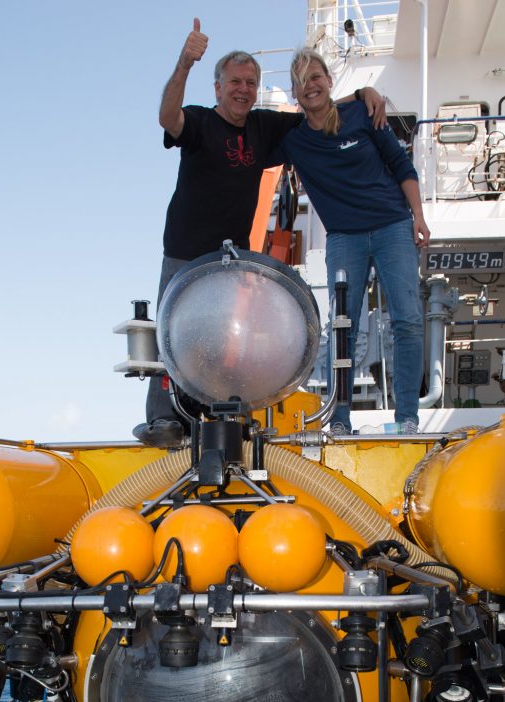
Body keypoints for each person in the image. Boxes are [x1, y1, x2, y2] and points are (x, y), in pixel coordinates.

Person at [133, 20, 387, 448]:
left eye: (251, 82)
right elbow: (166, 116)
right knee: (173, 335)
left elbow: (318, 109)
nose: (244, 89)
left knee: (227, 341)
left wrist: (363, 95)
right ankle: (164, 420)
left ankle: (213, 418)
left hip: (231, 259)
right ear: (217, 88)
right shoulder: (198, 122)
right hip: (184, 250)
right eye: (235, 81)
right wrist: (184, 62)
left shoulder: (265, 126)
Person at [269, 48, 430, 434]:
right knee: (343, 327)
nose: (311, 86)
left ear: (328, 80)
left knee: (407, 320)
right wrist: (361, 90)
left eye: (317, 77)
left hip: (393, 225)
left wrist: (419, 217)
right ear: (294, 92)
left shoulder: (362, 115)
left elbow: (401, 164)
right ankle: (339, 420)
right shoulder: (294, 141)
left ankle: (407, 418)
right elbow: (312, 112)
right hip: (344, 238)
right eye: (303, 81)